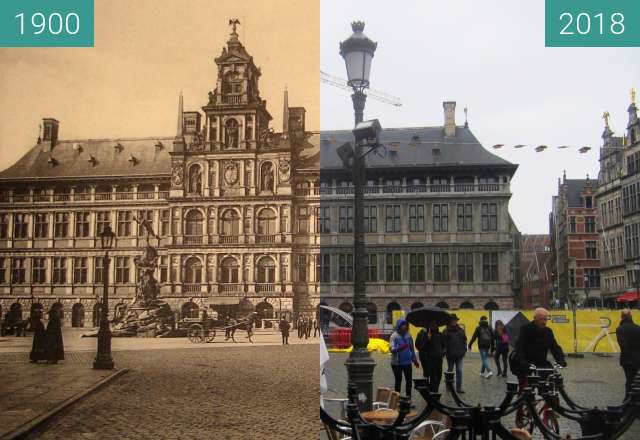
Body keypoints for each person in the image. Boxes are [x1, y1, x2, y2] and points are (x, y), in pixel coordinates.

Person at [389, 318, 419, 398]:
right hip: (396, 363)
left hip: (407, 362)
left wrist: (414, 359)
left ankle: (408, 398)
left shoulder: (408, 335)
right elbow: (391, 349)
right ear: (399, 326)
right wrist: (399, 348)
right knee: (398, 381)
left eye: (405, 325)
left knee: (409, 381)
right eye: (402, 325)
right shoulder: (394, 336)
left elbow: (412, 349)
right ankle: (397, 399)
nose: (404, 326)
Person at [415, 321, 446, 392]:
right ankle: (432, 390)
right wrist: (428, 340)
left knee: (439, 376)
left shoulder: (440, 335)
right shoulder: (426, 335)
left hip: (439, 359)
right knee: (431, 376)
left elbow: (444, 346)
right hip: (430, 359)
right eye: (432, 325)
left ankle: (435, 389)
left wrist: (442, 353)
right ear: (429, 326)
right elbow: (422, 347)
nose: (434, 326)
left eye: (435, 324)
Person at [616, 309, 640, 395]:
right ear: (631, 317)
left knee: (629, 380)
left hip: (627, 359)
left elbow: (623, 345)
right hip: (638, 358)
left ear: (622, 317)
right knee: (633, 379)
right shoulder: (638, 328)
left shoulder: (620, 329)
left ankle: (628, 399)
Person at [443, 314, 467, 393]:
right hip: (450, 355)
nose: (454, 321)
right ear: (449, 321)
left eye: (455, 320)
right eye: (452, 320)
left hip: (460, 354)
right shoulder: (446, 331)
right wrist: (446, 351)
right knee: (450, 371)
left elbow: (464, 340)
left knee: (459, 371)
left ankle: (458, 388)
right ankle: (449, 387)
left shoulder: (461, 330)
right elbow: (444, 343)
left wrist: (464, 350)